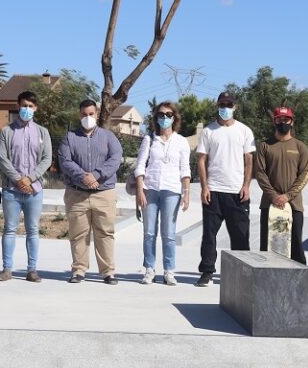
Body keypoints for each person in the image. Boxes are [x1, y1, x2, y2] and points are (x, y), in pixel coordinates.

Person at [58, 99, 123, 285]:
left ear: (97, 113)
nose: (88, 118)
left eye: (91, 114)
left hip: (104, 193)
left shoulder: (109, 137)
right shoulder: (69, 137)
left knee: (105, 233)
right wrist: (83, 177)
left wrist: (96, 175)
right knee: (78, 234)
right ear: (80, 115)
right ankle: (79, 270)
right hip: (77, 193)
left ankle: (108, 272)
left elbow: (115, 158)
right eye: (84, 114)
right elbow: (65, 161)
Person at [195, 91, 256, 287]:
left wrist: (246, 185)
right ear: (217, 105)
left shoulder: (244, 131)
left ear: (235, 107)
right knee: (209, 235)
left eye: (229, 104)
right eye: (222, 104)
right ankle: (206, 272)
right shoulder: (208, 131)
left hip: (237, 192)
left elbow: (249, 160)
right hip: (214, 190)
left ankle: (242, 274)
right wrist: (204, 187)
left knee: (240, 235)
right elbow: (201, 159)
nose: (226, 108)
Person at [0, 90, 52, 283]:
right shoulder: (6, 131)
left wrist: (31, 178)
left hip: (34, 190)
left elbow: (46, 159)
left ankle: (32, 270)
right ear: (18, 106)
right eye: (24, 105)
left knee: (33, 229)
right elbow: (2, 159)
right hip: (12, 189)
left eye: (30, 106)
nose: (27, 109)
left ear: (35, 108)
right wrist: (19, 180)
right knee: (10, 228)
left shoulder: (42, 132)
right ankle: (7, 269)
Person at [134, 100, 191, 285]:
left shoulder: (182, 142)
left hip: (172, 191)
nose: (164, 118)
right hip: (150, 189)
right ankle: (149, 269)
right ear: (156, 118)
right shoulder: (149, 139)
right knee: (149, 232)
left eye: (168, 115)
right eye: (161, 115)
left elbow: (185, 169)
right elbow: (140, 165)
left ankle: (169, 270)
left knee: (169, 233)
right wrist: (140, 190)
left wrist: (186, 193)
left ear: (174, 118)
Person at [254, 106, 308, 264]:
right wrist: (273, 196)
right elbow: (260, 173)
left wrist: (287, 196)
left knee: (295, 244)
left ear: (292, 122)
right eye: (279, 119)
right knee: (268, 245)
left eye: (286, 120)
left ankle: (299, 280)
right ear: (274, 121)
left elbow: (304, 175)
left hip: (294, 205)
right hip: (269, 205)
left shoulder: (301, 147)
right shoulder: (265, 146)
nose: (282, 122)